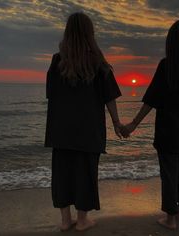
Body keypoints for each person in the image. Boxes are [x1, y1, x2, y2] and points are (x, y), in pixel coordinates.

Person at [121, 20, 179, 229]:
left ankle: (170, 219)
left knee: (170, 174)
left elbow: (151, 100)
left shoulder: (166, 66)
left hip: (168, 131)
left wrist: (133, 124)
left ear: (170, 42)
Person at [44, 12, 122, 231]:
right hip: (88, 129)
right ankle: (83, 219)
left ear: (68, 33)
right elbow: (109, 97)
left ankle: (65, 220)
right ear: (90, 33)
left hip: (60, 129)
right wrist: (117, 123)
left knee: (62, 173)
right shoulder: (97, 61)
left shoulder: (57, 60)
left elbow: (50, 93)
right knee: (85, 172)